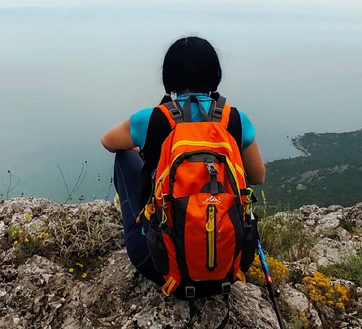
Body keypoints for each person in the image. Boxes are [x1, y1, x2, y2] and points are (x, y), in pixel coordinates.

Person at [100, 36, 266, 284]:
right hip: (230, 264)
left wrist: (146, 152)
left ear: (169, 76)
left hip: (159, 265)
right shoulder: (235, 119)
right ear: (214, 74)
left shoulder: (154, 118)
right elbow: (257, 176)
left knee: (124, 156)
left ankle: (147, 229)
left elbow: (108, 141)